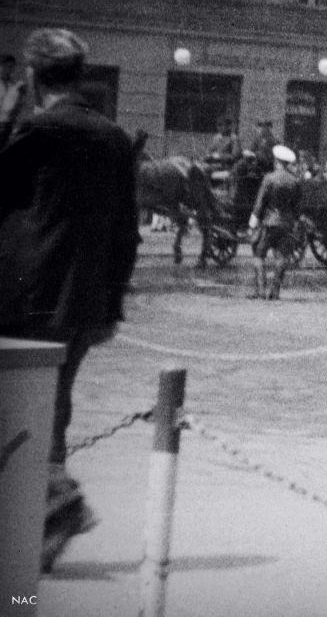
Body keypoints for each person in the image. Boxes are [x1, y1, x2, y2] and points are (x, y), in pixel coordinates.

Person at [0, 28, 140, 571]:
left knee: (21, 415)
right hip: (82, 307)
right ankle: (34, 542)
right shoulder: (111, 137)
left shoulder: (39, 131)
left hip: (25, 304)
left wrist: (6, 118)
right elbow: (126, 232)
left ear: (32, 78)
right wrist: (110, 307)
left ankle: (56, 506)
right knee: (50, 409)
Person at [247, 143, 304, 300]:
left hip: (270, 224)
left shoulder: (269, 179)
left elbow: (259, 204)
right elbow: (297, 208)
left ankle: (260, 290)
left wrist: (252, 225)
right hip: (287, 225)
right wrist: (296, 223)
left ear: (276, 161)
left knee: (259, 255)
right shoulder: (295, 181)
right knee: (282, 257)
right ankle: (275, 292)